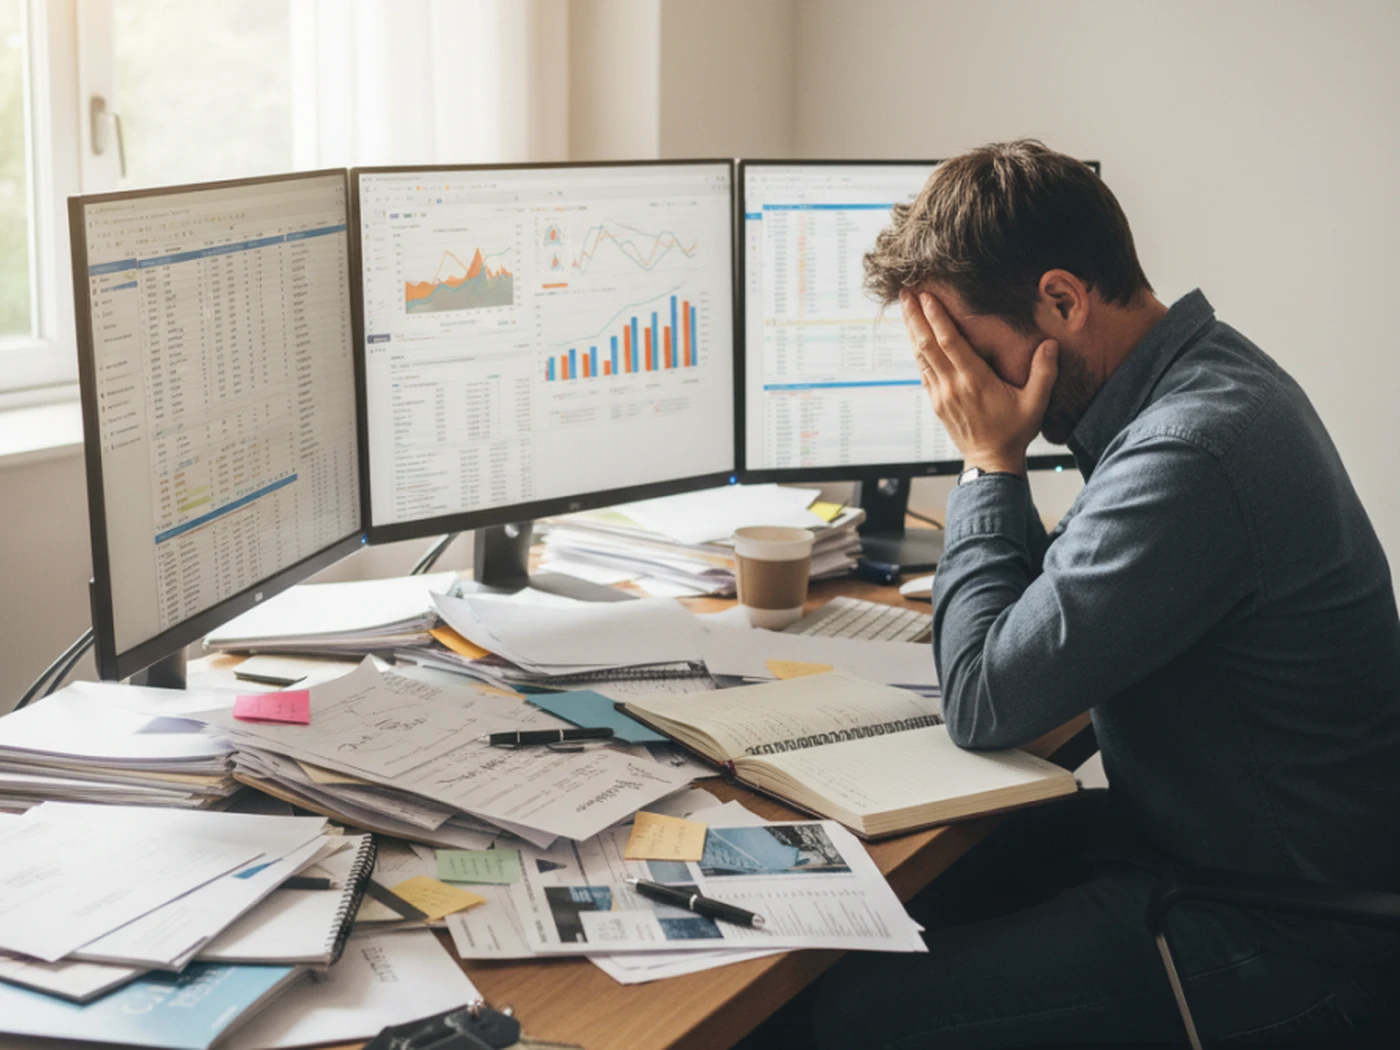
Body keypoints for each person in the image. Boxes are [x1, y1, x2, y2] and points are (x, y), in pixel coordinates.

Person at [810, 140, 1400, 1047]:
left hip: (1280, 934)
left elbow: (982, 699)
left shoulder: (1194, 449)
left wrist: (985, 464)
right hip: (1205, 858)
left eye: (969, 349)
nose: (956, 382)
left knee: (829, 1018)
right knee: (836, 915)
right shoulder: (1205, 377)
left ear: (1061, 299)